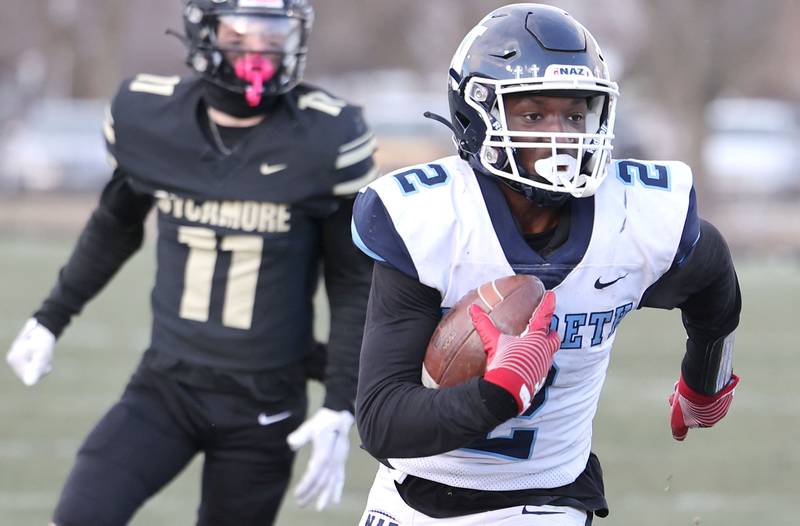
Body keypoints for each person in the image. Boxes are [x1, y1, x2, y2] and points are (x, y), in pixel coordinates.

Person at [351, 4, 741, 525]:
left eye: (574, 115)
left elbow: (714, 281)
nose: (560, 136)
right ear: (477, 116)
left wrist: (705, 383)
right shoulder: (431, 221)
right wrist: (497, 392)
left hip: (546, 500)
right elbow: (381, 421)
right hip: (411, 497)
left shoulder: (633, 218)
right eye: (534, 114)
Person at [5, 1, 376, 524]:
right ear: (204, 34)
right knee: (80, 515)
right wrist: (51, 316)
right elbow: (115, 227)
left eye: (274, 38)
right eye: (242, 35)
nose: (259, 53)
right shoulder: (152, 119)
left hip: (264, 403)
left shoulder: (323, 134)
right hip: (166, 385)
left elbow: (352, 279)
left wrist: (342, 402)